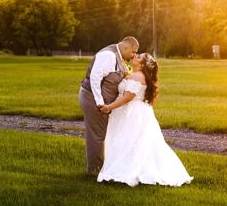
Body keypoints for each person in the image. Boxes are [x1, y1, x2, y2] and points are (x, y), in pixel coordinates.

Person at [97, 53, 193, 186]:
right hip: (136, 111)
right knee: (133, 142)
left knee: (130, 141)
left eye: (139, 57)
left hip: (132, 113)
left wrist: (108, 107)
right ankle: (125, 166)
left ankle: (126, 169)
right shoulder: (135, 74)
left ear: (142, 64)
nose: (135, 55)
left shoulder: (138, 77)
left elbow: (126, 98)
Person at [78, 36, 138, 175]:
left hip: (101, 101)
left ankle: (99, 168)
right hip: (92, 98)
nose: (134, 55)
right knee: (96, 136)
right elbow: (95, 78)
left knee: (100, 134)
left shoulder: (119, 57)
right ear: (125, 47)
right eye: (133, 52)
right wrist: (99, 102)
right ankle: (94, 170)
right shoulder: (108, 55)